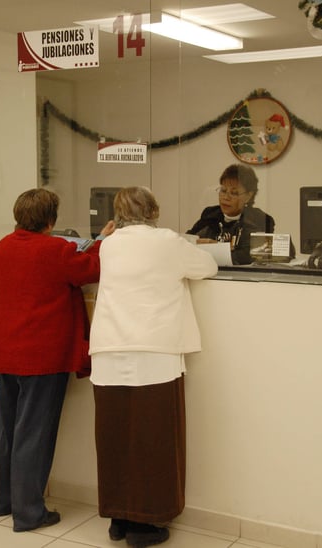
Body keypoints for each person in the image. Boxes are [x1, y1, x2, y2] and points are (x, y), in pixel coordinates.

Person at [0, 187, 113, 533]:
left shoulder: (1, 248)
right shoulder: (56, 250)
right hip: (42, 356)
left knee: (9, 431)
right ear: (50, 220)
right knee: (34, 434)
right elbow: (92, 269)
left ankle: (5, 501)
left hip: (6, 351)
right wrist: (102, 240)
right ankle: (29, 513)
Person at [89, 186, 218, 548]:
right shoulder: (166, 241)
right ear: (154, 210)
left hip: (109, 350)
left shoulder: (109, 244)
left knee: (114, 437)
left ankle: (118, 517)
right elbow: (206, 267)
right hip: (154, 352)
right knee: (153, 439)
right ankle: (145, 526)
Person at [186, 164, 275, 264]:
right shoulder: (210, 214)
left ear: (248, 196)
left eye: (234, 193)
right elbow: (187, 241)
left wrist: (218, 249)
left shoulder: (259, 219)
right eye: (223, 191)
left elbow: (253, 255)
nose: (226, 197)